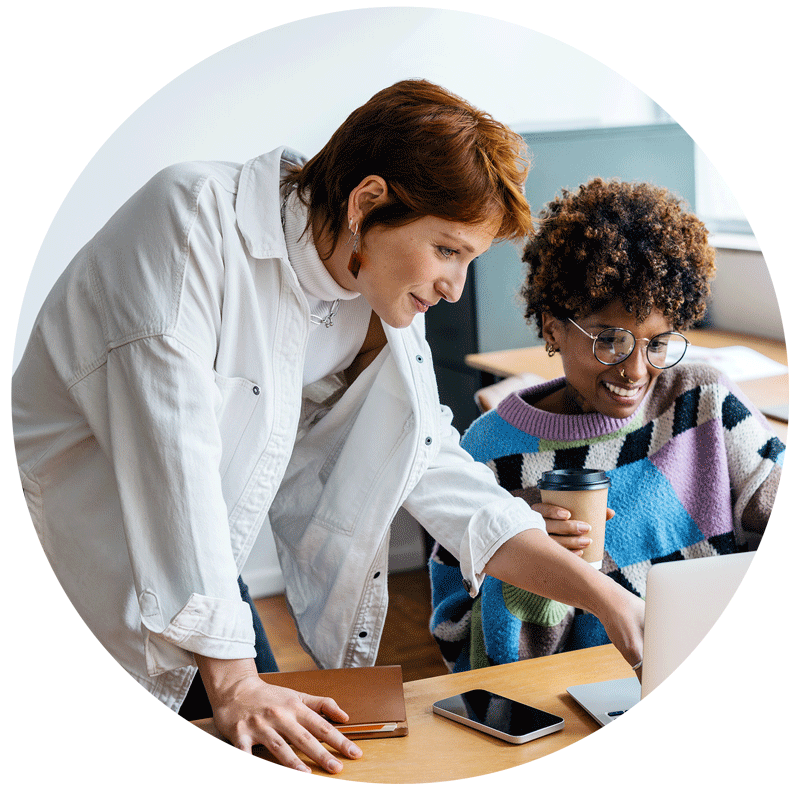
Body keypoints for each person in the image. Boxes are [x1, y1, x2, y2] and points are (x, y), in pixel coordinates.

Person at [13, 82, 644, 774]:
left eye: (469, 259)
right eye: (447, 250)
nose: (455, 287)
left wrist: (606, 598)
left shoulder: (369, 286)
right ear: (366, 202)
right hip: (76, 577)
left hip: (200, 570)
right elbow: (175, 458)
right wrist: (236, 682)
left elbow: (429, 461)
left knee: (287, 746)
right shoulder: (186, 222)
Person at [430, 178, 784, 672]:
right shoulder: (489, 453)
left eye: (657, 343)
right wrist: (530, 568)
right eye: (610, 341)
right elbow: (462, 649)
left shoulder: (705, 402)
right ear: (553, 327)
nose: (636, 371)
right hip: (575, 695)